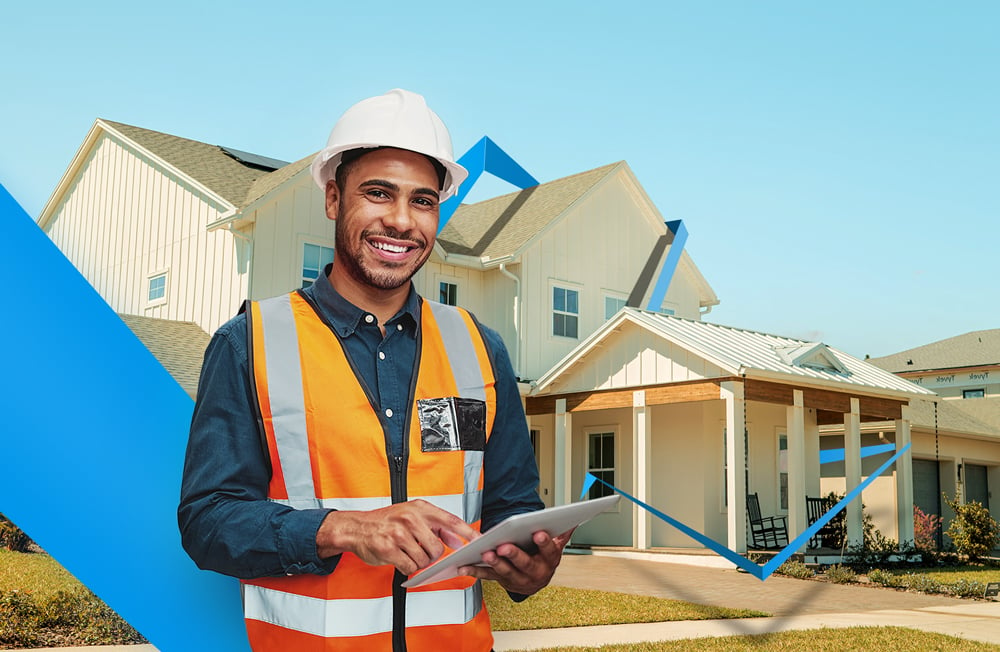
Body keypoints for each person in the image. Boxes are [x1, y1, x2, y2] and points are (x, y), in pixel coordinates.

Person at [178, 89, 569, 651]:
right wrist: (340, 528)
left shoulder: (480, 348)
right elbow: (208, 522)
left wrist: (528, 567)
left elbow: (513, 508)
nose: (401, 221)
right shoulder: (250, 343)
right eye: (379, 194)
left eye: (424, 201)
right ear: (334, 198)